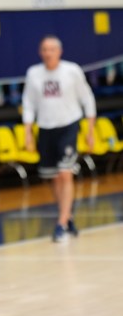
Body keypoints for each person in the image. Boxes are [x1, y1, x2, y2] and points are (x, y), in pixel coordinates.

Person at [22, 35, 96, 243]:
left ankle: (61, 223)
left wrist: (90, 130)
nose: (48, 53)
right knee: (53, 176)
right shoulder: (34, 74)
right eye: (44, 49)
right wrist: (28, 132)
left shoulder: (71, 71)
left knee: (65, 174)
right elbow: (28, 103)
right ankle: (68, 216)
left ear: (59, 51)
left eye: (52, 49)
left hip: (69, 126)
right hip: (45, 128)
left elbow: (87, 98)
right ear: (40, 52)